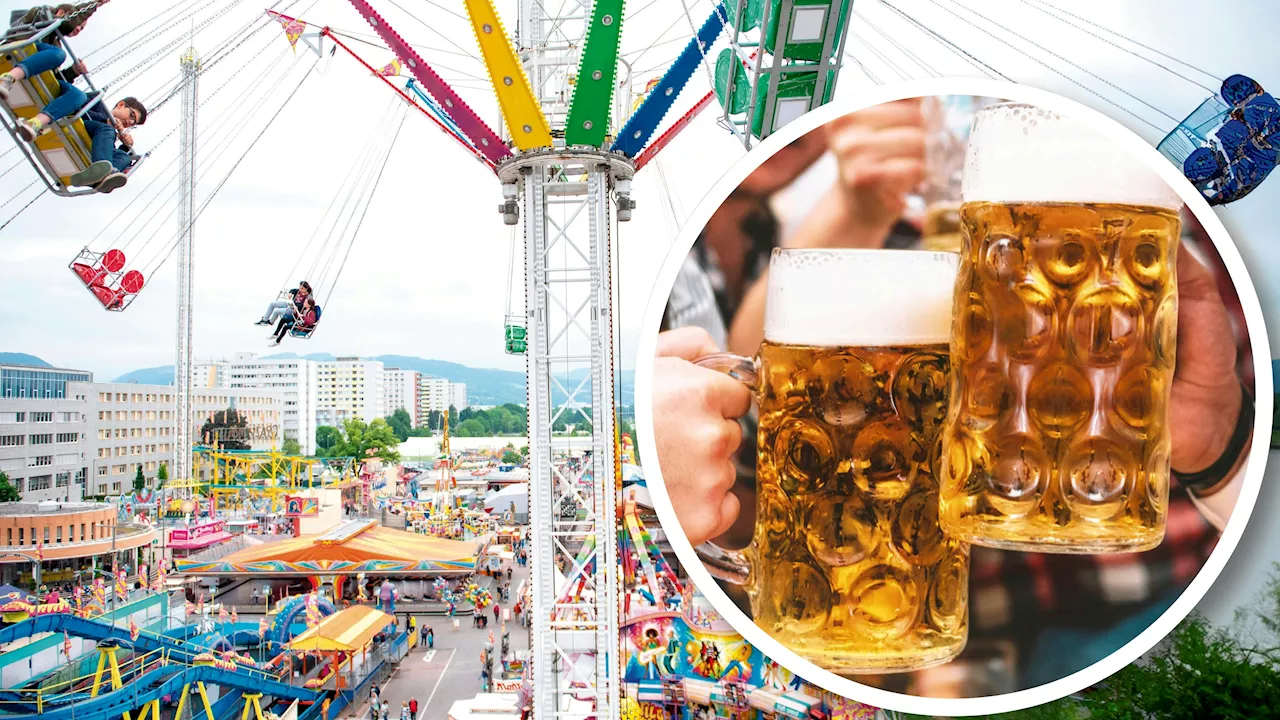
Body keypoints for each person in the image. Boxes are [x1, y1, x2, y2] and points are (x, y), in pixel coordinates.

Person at [652, 99, 1254, 691]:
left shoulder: (1161, 218)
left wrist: (1224, 452)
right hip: (967, 635)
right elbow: (769, 396)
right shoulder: (887, 253)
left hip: (1147, 599)